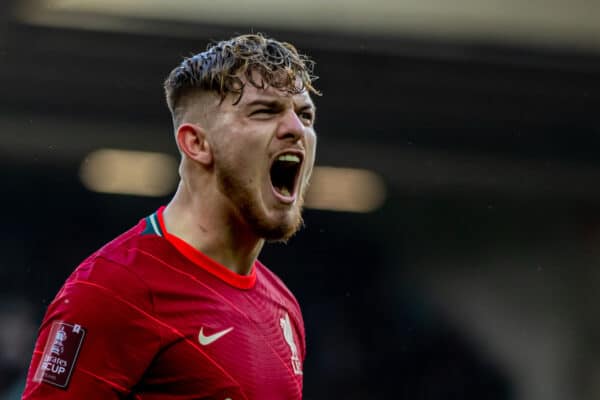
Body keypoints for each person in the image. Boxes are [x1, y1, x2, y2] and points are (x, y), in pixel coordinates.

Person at [22, 33, 320, 399]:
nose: (297, 129)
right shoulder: (112, 290)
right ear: (196, 144)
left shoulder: (283, 307)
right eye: (264, 111)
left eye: (305, 115)